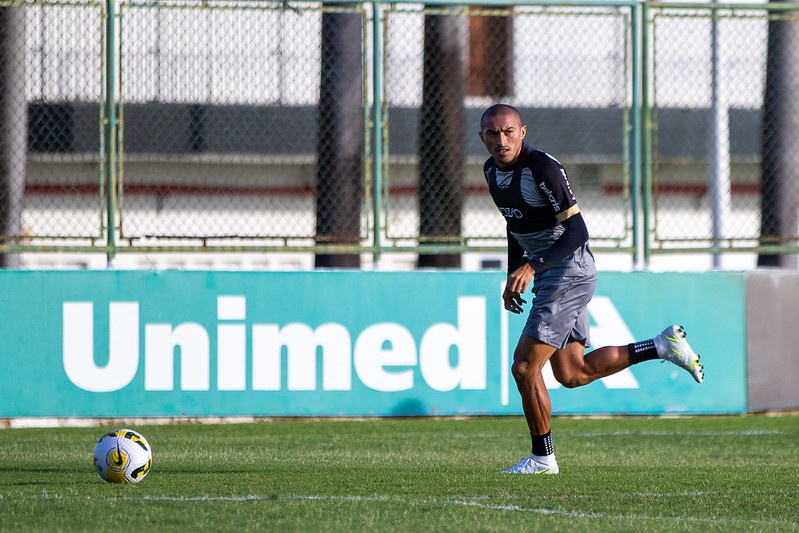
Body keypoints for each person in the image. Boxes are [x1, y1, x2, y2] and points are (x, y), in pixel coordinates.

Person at [478, 104, 704, 475]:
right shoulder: (491, 170)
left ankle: (542, 459)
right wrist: (512, 273)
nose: (501, 140)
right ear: (482, 137)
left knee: (524, 367)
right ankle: (661, 346)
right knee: (573, 373)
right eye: (492, 133)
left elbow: (578, 231)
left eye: (508, 132)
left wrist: (531, 266)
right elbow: (513, 225)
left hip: (567, 270)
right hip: (550, 272)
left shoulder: (542, 168)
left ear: (522, 132)